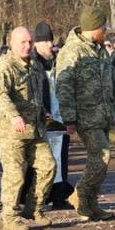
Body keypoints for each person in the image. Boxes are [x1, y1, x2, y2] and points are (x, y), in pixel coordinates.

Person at [56, 7, 115, 222]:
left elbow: (113, 83)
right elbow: (64, 87)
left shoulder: (99, 51)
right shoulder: (72, 52)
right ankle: (79, 194)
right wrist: (69, 118)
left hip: (104, 115)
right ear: (93, 29)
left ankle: (91, 203)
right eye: (103, 28)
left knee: (102, 162)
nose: (105, 32)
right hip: (85, 116)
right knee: (101, 156)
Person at [0, 26, 56, 230]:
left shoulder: (35, 66)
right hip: (11, 132)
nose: (27, 46)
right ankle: (9, 216)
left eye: (29, 42)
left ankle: (32, 209)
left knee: (48, 166)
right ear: (12, 43)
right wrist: (14, 115)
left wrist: (43, 112)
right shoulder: (4, 66)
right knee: (15, 174)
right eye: (22, 42)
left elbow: (35, 96)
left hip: (34, 129)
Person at [31, 22, 73, 209]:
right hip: (42, 118)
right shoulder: (32, 63)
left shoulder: (58, 61)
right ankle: (36, 198)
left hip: (60, 118)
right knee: (41, 161)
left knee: (60, 157)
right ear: (37, 44)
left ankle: (59, 196)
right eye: (46, 41)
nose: (50, 45)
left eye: (51, 41)